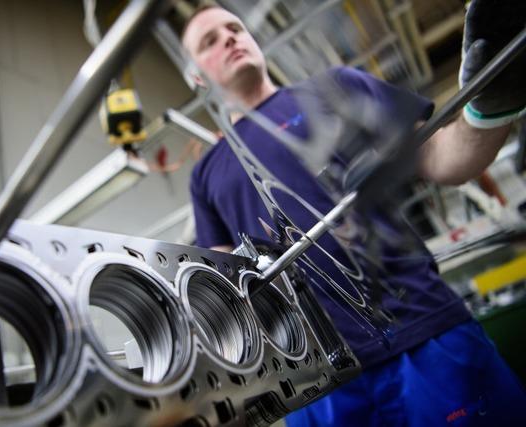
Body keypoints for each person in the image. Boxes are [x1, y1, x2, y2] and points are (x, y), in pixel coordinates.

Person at [181, 2, 526, 426]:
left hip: (423, 334)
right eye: (210, 41)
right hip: (314, 382)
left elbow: (444, 158)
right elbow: (222, 292)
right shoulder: (207, 174)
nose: (230, 38)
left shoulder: (335, 89)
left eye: (234, 28)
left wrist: (487, 108)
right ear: (197, 77)